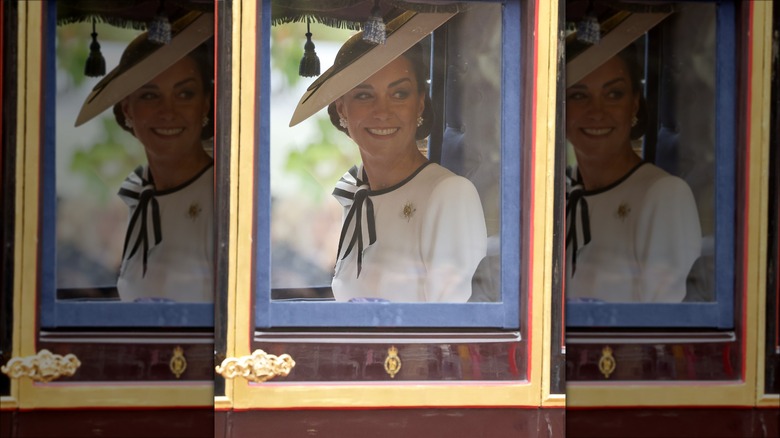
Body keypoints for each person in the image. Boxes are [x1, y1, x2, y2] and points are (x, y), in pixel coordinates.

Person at [291, 18, 487, 302]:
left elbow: (451, 332)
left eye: (399, 94)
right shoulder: (355, 194)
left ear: (419, 102)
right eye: (363, 95)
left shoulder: (449, 194)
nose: (382, 111)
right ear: (341, 108)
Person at [76, 13, 215, 303]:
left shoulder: (223, 194)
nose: (168, 112)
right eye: (150, 96)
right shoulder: (139, 193)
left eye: (185, 94)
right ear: (127, 109)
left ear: (206, 102)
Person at [565, 45, 702, 303]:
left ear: (634, 106)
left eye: (614, 94)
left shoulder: (664, 194)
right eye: (579, 96)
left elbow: (668, 324)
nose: (597, 111)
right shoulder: (555, 194)